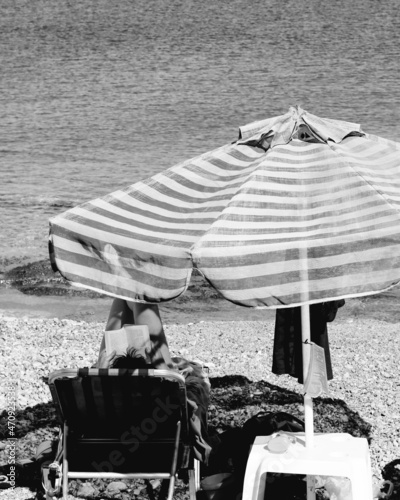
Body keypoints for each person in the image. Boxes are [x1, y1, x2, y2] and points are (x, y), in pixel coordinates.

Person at [95, 298, 212, 464]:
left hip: (108, 435)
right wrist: (160, 361)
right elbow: (181, 394)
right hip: (160, 437)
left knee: (127, 299)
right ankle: (136, 292)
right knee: (139, 296)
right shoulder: (162, 396)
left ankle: (131, 291)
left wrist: (99, 371)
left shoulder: (93, 396)